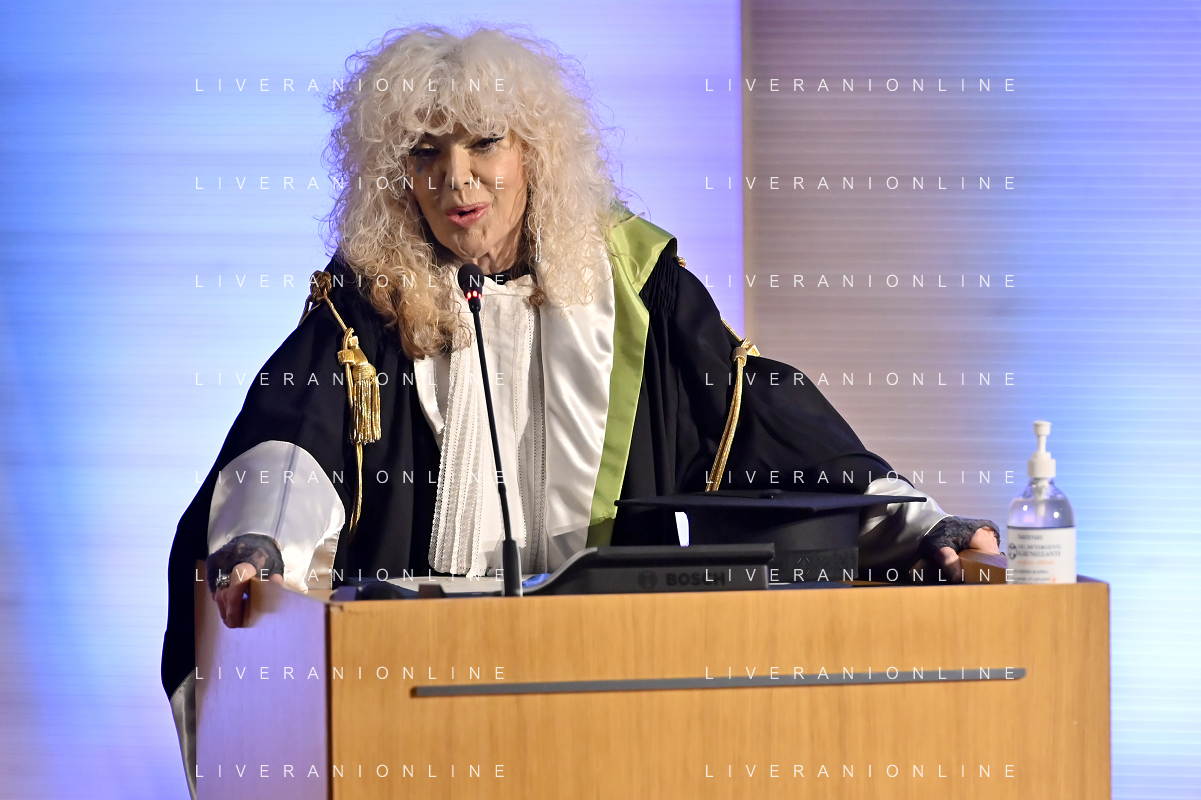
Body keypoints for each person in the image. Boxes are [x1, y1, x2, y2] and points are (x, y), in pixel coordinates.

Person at [161, 24, 1000, 794]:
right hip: (420, 685)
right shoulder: (370, 300)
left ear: (534, 149)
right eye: (425, 151)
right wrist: (260, 542)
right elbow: (293, 440)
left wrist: (918, 525)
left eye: (485, 142)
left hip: (610, 674)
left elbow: (761, 421)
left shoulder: (632, 286)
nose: (456, 177)